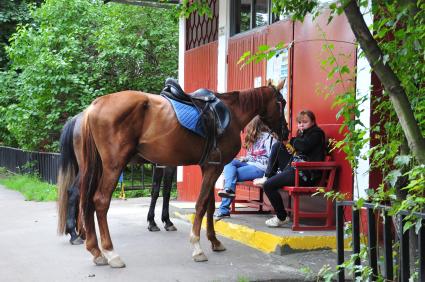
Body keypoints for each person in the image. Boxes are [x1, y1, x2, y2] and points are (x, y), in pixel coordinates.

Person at [256, 110, 326, 227]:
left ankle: (281, 217)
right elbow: (301, 150)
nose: (301, 125)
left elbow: (304, 145)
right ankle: (268, 175)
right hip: (296, 168)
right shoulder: (303, 134)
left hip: (306, 174)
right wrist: (291, 148)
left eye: (305, 122)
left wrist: (292, 141)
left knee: (268, 185)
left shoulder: (317, 133)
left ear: (313, 122)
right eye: (299, 122)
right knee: (278, 145)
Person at [214, 116, 275, 220]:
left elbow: (272, 157)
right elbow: (253, 156)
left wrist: (268, 174)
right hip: (251, 164)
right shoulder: (255, 138)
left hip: (261, 168)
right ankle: (228, 190)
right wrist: (245, 159)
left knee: (232, 175)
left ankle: (224, 208)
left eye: (248, 124)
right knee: (229, 161)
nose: (247, 127)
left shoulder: (268, 138)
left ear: (254, 125)